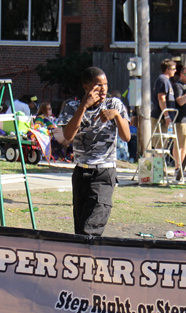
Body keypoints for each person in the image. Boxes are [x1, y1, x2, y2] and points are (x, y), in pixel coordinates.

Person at [55, 67, 130, 236]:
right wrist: (83, 106)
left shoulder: (114, 104)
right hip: (81, 172)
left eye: (105, 84)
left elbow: (126, 137)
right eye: (98, 85)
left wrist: (117, 116)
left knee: (90, 230)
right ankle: (84, 261)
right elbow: (67, 136)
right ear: (86, 87)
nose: (103, 89)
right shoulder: (72, 106)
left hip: (103, 172)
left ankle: (89, 258)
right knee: (80, 228)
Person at [151, 60, 176, 144]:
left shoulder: (167, 81)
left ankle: (160, 158)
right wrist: (166, 116)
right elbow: (161, 98)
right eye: (173, 69)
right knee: (159, 146)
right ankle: (157, 158)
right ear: (167, 69)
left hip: (164, 118)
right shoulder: (163, 80)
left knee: (164, 145)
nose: (175, 71)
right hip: (160, 118)